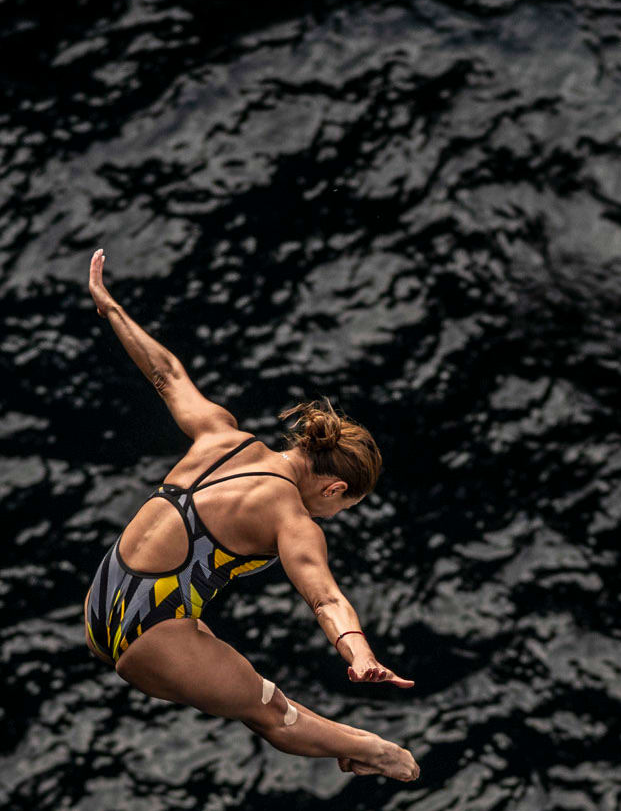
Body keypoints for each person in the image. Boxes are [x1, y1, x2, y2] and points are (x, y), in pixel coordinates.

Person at [79, 251, 420, 782]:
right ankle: (375, 750)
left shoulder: (221, 434)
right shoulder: (290, 517)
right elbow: (326, 598)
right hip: (150, 639)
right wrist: (359, 653)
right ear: (334, 487)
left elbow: (167, 374)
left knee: (255, 694)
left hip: (100, 604)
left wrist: (112, 308)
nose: (331, 515)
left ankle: (349, 742)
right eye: (341, 506)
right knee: (272, 714)